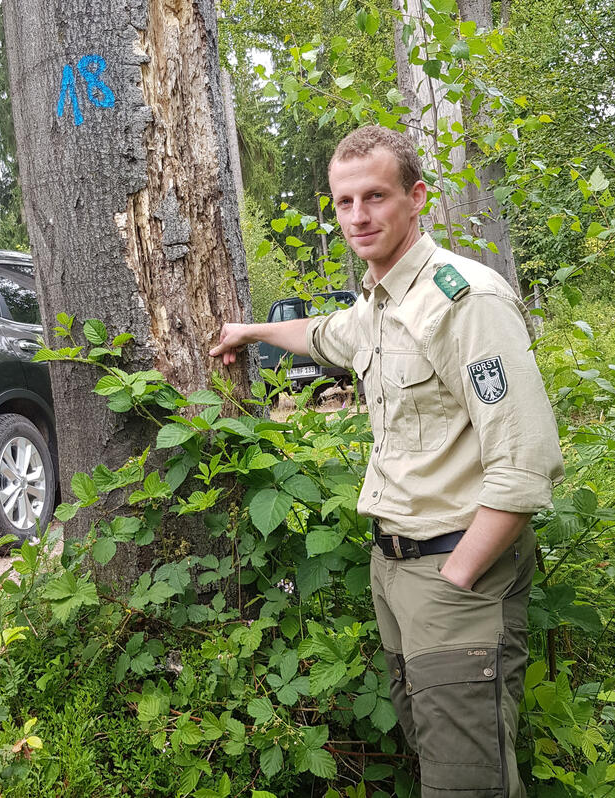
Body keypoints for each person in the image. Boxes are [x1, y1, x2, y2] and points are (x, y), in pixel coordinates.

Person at [210, 125, 563, 797]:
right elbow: (320, 335)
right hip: (397, 572)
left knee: (466, 784)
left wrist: (456, 579)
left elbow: (525, 464)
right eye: (344, 202)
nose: (358, 216)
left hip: (456, 570)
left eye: (375, 196)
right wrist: (252, 331)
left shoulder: (464, 301)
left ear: (417, 197)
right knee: (447, 758)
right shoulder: (379, 304)